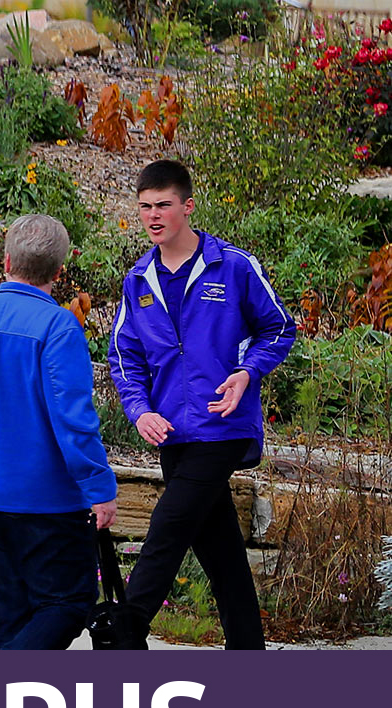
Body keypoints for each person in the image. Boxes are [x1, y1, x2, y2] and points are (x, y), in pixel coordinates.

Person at [111, 160, 295, 650]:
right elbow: (123, 356)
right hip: (170, 429)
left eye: (163, 206)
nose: (153, 216)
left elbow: (277, 328)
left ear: (187, 207)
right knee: (221, 554)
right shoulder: (138, 280)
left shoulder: (232, 266)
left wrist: (247, 372)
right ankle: (248, 653)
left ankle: (127, 627)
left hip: (222, 424)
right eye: (145, 206)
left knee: (169, 525)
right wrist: (139, 410)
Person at [0, 214, 120, 650]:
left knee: (13, 610)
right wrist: (99, 484)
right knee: (70, 602)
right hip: (43, 499)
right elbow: (73, 418)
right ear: (60, 272)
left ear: (6, 262)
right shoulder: (58, 326)